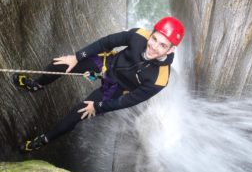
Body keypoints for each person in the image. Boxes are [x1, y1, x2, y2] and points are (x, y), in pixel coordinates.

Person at [14, 17, 185, 152]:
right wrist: (77, 57)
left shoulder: (159, 79)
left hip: (117, 88)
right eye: (154, 38)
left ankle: (43, 140)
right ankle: (36, 85)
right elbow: (107, 42)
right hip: (107, 64)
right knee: (62, 64)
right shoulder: (139, 36)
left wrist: (98, 106)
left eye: (162, 45)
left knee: (77, 114)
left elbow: (129, 100)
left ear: (170, 50)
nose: (153, 46)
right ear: (152, 33)